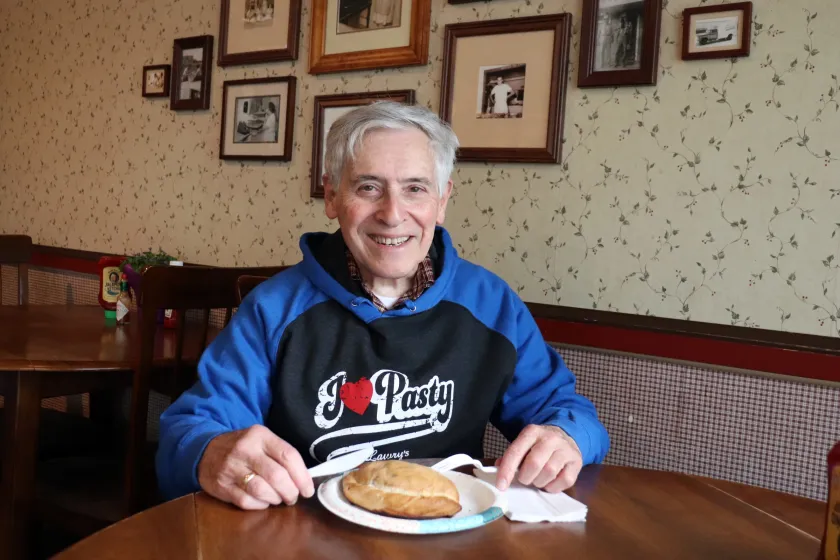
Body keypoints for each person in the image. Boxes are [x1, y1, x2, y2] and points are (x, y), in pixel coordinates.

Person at [156, 102, 610, 510]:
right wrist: (208, 453)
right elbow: (189, 431)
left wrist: (567, 437)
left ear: (443, 200)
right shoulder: (273, 309)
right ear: (332, 196)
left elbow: (570, 414)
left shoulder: (492, 305)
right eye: (369, 188)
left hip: (445, 538)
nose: (393, 214)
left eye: (415, 188)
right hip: (304, 537)